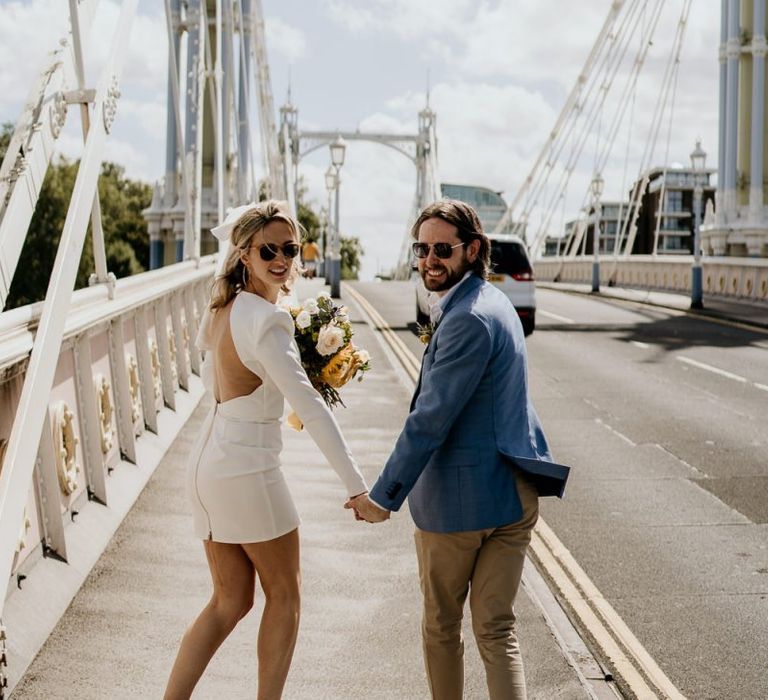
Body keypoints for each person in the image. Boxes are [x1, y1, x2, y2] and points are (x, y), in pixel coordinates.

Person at [346, 199, 568, 700]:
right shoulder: (496, 302)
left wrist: (383, 499)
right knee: (497, 631)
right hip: (513, 498)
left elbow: (429, 421)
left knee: (442, 628)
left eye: (442, 249)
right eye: (421, 249)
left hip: (459, 509)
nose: (429, 259)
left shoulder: (467, 317)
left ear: (473, 249)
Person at [165, 200, 368, 700]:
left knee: (229, 601)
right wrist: (358, 488)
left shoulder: (226, 308)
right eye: (268, 250)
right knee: (286, 597)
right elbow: (311, 410)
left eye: (290, 249)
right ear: (244, 254)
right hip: (248, 469)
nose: (281, 259)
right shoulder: (269, 322)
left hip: (209, 464)